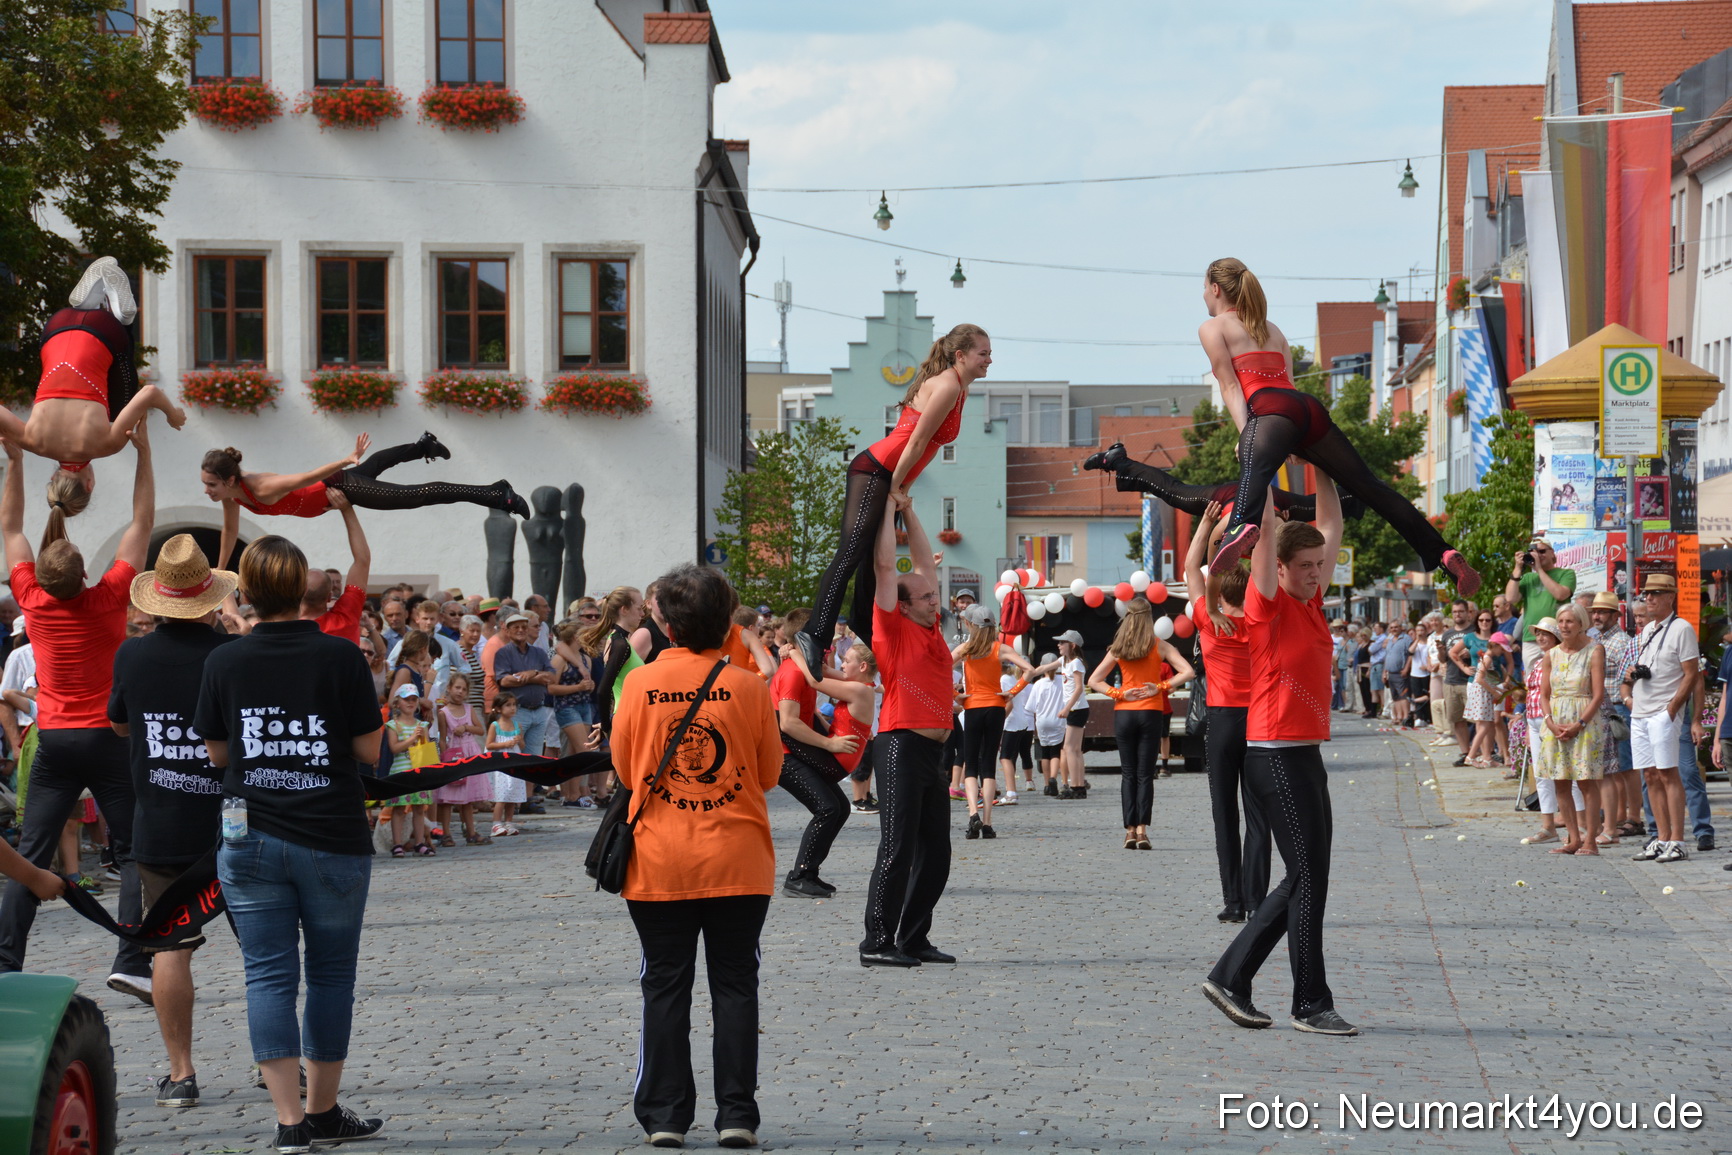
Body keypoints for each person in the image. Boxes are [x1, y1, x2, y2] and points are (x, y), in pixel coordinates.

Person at [193, 535, 386, 1153]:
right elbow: (369, 751)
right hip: (330, 832)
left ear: (244, 593)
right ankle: (323, 1110)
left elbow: (218, 752)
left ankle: (289, 1121)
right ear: (304, 588)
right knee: (331, 977)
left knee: (267, 977)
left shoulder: (224, 661)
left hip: (248, 836)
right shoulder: (340, 656)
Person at [611, 564, 781, 1150]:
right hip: (737, 857)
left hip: (660, 857)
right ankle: (737, 1114)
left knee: (664, 985)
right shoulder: (750, 684)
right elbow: (768, 772)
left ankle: (665, 1116)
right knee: (736, 985)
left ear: (665, 622)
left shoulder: (639, 684)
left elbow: (626, 768)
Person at [1195, 258, 1477, 595]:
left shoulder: (1212, 328)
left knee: (1252, 474)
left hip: (1268, 408)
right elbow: (1290, 388)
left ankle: (1239, 527)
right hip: (1305, 409)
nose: (1203, 297)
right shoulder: (1273, 330)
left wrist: (1247, 435)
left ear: (1215, 289)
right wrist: (1294, 443)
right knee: (1372, 488)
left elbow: (1230, 386)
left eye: (1204, 289)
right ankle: (1443, 552)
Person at [0, 421, 154, 1000]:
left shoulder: (32, 600)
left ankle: (5, 961)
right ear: (83, 573)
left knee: (31, 853)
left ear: (39, 577)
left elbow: (11, 525)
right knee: (133, 849)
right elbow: (141, 523)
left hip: (55, 740)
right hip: (108, 739)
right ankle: (132, 959)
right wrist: (142, 455)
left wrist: (14, 461)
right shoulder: (111, 596)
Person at [1204, 479, 1357, 1036]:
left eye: (1320, 565)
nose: (1318, 572)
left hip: (1305, 755)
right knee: (1307, 876)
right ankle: (1307, 1002)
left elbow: (1332, 526)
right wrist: (1265, 460)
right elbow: (1266, 531)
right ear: (1283, 569)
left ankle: (1234, 978)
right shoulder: (1265, 606)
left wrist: (1324, 464)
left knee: (1309, 876)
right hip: (1272, 755)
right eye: (1307, 565)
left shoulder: (1312, 604)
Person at [107, 533, 240, 1109]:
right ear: (210, 599)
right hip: (231, 821)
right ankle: (285, 1068)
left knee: (169, 950)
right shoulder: (228, 655)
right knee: (265, 947)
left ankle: (181, 1075)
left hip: (160, 820)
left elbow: (117, 725)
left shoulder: (132, 654)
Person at [795, 324, 989, 671]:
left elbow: (924, 449)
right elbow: (914, 442)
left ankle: (865, 626)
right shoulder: (947, 385)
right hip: (876, 472)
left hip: (890, 476)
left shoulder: (959, 389)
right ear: (960, 356)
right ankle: (815, 633)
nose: (990, 360)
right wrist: (896, 486)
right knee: (851, 552)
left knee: (874, 559)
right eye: (983, 354)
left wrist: (902, 488)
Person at [859, 502, 956, 968]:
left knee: (936, 856)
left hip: (935, 752)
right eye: (926, 598)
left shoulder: (931, 625)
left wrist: (909, 510)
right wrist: (884, 515)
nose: (935, 600)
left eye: (934, 597)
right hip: (899, 744)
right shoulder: (891, 628)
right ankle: (876, 942)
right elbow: (885, 564)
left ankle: (913, 938)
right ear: (902, 605)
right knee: (897, 848)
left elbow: (922, 565)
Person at [201, 435, 528, 568]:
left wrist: (346, 460)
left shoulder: (263, 487)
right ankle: (422, 446)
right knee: (375, 467)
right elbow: (229, 534)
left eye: (211, 484)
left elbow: (311, 476)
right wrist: (219, 569)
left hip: (338, 486)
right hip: (330, 495)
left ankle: (496, 493)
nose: (207, 492)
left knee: (414, 496)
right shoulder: (232, 496)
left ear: (229, 480)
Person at [2, 257, 188, 476]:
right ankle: (90, 300)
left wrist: (172, 414)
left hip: (105, 330)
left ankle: (122, 318)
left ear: (89, 484)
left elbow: (150, 392)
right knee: (74, 344)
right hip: (56, 326)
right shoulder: (30, 441)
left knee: (119, 411)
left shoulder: (105, 446)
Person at [1187, 501, 1270, 922]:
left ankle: (1233, 902)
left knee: (1225, 814)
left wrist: (1207, 529)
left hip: (1221, 720)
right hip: (1258, 720)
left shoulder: (1210, 619)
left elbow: (1193, 571)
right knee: (1258, 815)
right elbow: (1264, 577)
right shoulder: (1260, 621)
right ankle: (1257, 900)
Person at [1088, 598, 1194, 848]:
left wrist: (1118, 694)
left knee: (1128, 773)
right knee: (1146, 774)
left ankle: (1129, 831)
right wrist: (1160, 687)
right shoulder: (1159, 645)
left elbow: (1095, 680)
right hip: (1150, 712)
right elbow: (1188, 671)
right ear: (1149, 618)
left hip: (1125, 712)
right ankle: (1143, 831)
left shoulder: (1118, 647)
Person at [769, 607, 861, 897]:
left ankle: (809, 873)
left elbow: (805, 712)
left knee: (840, 808)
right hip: (782, 755)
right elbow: (789, 722)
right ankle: (798, 876)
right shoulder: (794, 673)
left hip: (793, 750)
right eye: (824, 637)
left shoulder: (804, 666)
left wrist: (822, 722)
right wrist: (829, 744)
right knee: (828, 808)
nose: (829, 643)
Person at [1623, 574, 1700, 863]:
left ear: (1670, 597)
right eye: (1646, 594)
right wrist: (1632, 675)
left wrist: (1672, 709)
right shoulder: (1647, 631)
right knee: (1649, 774)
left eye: (1655, 593)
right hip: (1641, 710)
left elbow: (1692, 673)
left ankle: (1678, 840)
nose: (1649, 599)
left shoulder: (1681, 628)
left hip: (1662, 712)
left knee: (1668, 773)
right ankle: (1662, 838)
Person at [953, 606, 1034, 839]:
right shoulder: (1000, 648)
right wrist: (1012, 692)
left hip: (973, 707)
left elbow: (938, 669)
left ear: (973, 626)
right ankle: (987, 822)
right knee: (988, 764)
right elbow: (1029, 670)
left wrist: (954, 694)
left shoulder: (966, 649)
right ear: (993, 627)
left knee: (971, 763)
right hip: (996, 707)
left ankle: (972, 814)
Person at [1536, 604, 1609, 855]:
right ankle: (1573, 838)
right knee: (1560, 781)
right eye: (1561, 621)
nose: (1564, 626)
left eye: (1570, 621)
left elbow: (1598, 694)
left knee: (1586, 781)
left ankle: (1590, 840)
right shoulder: (1551, 654)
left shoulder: (1594, 650)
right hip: (1554, 722)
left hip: (1584, 719)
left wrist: (1579, 724)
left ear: (1581, 624)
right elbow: (1544, 694)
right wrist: (1549, 721)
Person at [1590, 591, 1640, 841]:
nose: (1596, 615)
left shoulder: (1621, 641)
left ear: (1614, 615)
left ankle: (1634, 817)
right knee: (1615, 766)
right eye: (1594, 611)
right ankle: (1620, 815)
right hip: (1605, 708)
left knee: (1627, 765)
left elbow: (1627, 678)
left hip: (1618, 707)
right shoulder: (1597, 639)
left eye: (1601, 611)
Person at [432, 672, 490, 845]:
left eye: (464, 689)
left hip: (469, 752)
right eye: (457, 687)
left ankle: (471, 832)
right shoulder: (443, 713)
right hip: (453, 754)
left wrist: (465, 727)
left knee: (468, 797)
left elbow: (480, 730)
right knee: (449, 797)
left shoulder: (469, 709)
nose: (460, 692)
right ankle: (446, 833)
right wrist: (445, 759)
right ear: (449, 688)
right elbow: (442, 737)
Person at [305, 492, 369, 644]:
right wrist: (347, 509)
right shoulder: (345, 618)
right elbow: (362, 561)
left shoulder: (285, 628)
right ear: (329, 597)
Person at [1506, 539, 1577, 673]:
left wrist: (1538, 569)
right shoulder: (1528, 578)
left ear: (1552, 553)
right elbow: (1510, 598)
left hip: (1557, 637)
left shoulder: (1566, 574)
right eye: (1533, 552)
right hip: (1531, 638)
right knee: (1532, 681)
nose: (1538, 555)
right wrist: (1517, 568)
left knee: (1557, 677)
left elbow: (1561, 594)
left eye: (1542, 551)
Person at [1054, 630, 1090, 798]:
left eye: (1062, 642)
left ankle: (1076, 786)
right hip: (1076, 708)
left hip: (1077, 708)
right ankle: (1079, 785)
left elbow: (1079, 688)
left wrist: (1067, 708)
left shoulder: (1076, 663)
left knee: (1069, 748)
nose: (1059, 645)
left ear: (1072, 645)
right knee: (1075, 749)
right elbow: (1045, 667)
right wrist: (1028, 672)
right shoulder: (1064, 661)